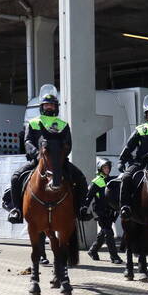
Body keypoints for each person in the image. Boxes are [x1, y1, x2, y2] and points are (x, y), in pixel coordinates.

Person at [7, 89, 90, 224]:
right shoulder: (33, 122)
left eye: (52, 105)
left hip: (60, 162)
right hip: (38, 160)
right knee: (16, 177)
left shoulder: (63, 125)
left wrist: (60, 157)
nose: (49, 107)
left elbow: (68, 144)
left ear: (56, 107)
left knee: (80, 178)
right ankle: (17, 210)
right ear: (42, 107)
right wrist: (38, 154)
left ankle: (81, 209)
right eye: (46, 105)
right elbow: (27, 141)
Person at [86, 157, 122, 264]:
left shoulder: (111, 180)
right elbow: (88, 197)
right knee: (109, 233)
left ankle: (92, 251)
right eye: (105, 167)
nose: (107, 169)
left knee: (104, 233)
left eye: (108, 167)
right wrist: (84, 208)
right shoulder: (96, 182)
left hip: (109, 212)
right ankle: (114, 257)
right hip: (99, 211)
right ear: (100, 168)